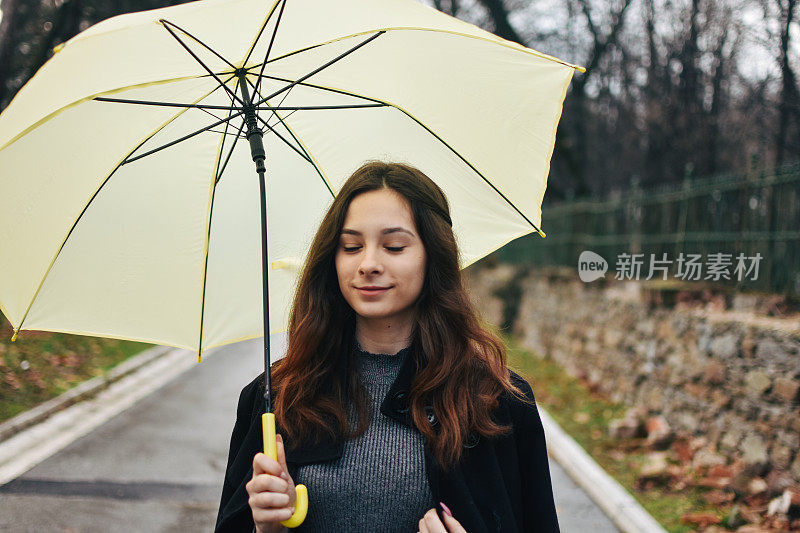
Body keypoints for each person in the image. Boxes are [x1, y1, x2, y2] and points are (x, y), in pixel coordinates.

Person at [215, 161, 559, 533]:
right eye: (351, 246)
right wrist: (267, 529)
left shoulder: (496, 403)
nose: (368, 264)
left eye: (394, 246)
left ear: (433, 256)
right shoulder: (275, 397)